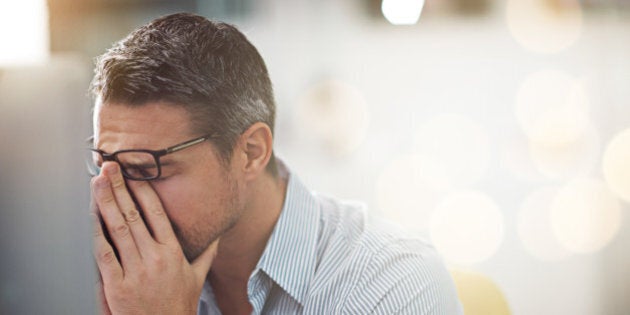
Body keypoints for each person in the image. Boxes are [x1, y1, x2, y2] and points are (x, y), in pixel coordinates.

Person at [88, 12, 462, 315]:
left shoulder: (393, 283)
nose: (118, 199)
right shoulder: (114, 281)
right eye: (103, 163)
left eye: (146, 168)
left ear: (251, 152)